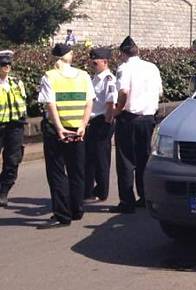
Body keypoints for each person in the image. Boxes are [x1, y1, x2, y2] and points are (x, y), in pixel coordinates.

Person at [37, 43, 93, 228]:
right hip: (78, 129)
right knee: (77, 170)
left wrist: (59, 127)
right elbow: (88, 103)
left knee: (57, 172)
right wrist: (83, 125)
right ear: (69, 57)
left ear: (55, 58)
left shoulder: (50, 76)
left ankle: (62, 214)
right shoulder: (83, 75)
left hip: (57, 131)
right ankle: (77, 209)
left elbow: (50, 104)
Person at [113, 36, 162, 213]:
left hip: (129, 118)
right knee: (144, 159)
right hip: (149, 119)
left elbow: (123, 92)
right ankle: (144, 196)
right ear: (138, 51)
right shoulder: (152, 67)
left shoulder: (124, 68)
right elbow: (159, 92)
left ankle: (127, 201)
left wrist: (117, 110)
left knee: (126, 161)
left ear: (122, 53)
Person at [84, 47, 117, 202]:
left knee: (101, 158)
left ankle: (102, 191)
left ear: (105, 61)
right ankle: (89, 190)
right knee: (89, 157)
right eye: (92, 62)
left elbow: (111, 103)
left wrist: (108, 122)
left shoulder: (108, 79)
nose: (93, 64)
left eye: (95, 62)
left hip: (102, 121)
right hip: (92, 122)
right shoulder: (94, 78)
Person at [0, 50, 27, 207]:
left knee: (13, 160)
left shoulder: (17, 82)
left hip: (15, 126)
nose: (6, 67)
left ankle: (3, 191)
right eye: (3, 64)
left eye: (8, 64)